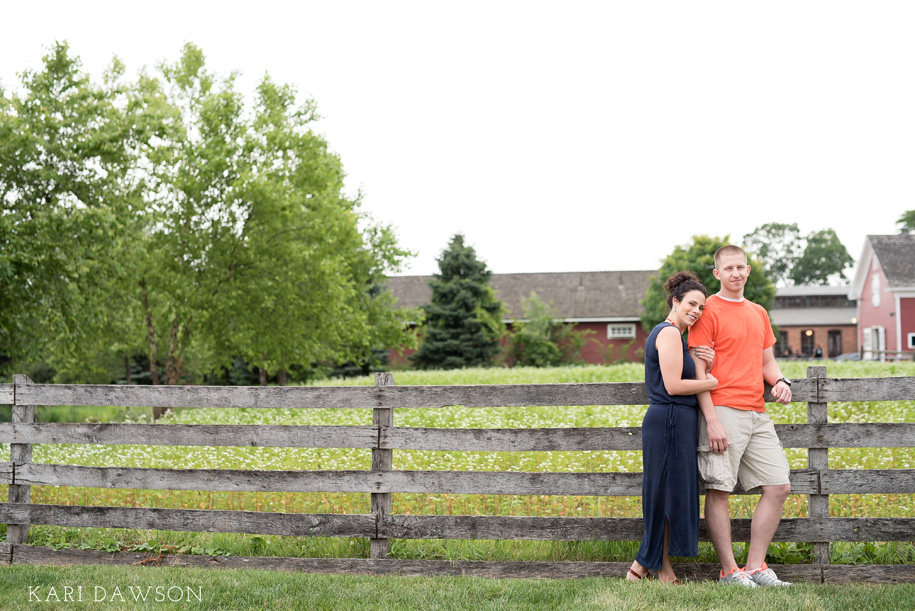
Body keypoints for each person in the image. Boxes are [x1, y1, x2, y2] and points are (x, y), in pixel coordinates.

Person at [688, 245, 793, 588]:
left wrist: (779, 381)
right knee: (719, 489)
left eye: (740, 267)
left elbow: (766, 362)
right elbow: (699, 370)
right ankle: (729, 572)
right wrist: (712, 419)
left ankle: (755, 566)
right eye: (728, 268)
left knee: (778, 486)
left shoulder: (759, 312)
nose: (735, 273)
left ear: (748, 271)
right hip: (722, 409)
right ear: (717, 274)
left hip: (757, 412)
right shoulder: (707, 311)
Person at [627, 271, 717, 584]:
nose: (697, 310)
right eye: (691, 303)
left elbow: (685, 376)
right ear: (675, 301)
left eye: (701, 307)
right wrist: (712, 381)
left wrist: (706, 363)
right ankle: (647, 567)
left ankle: (652, 569)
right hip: (667, 420)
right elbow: (674, 385)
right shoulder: (666, 334)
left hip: (678, 422)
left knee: (672, 496)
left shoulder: (679, 337)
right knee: (663, 496)